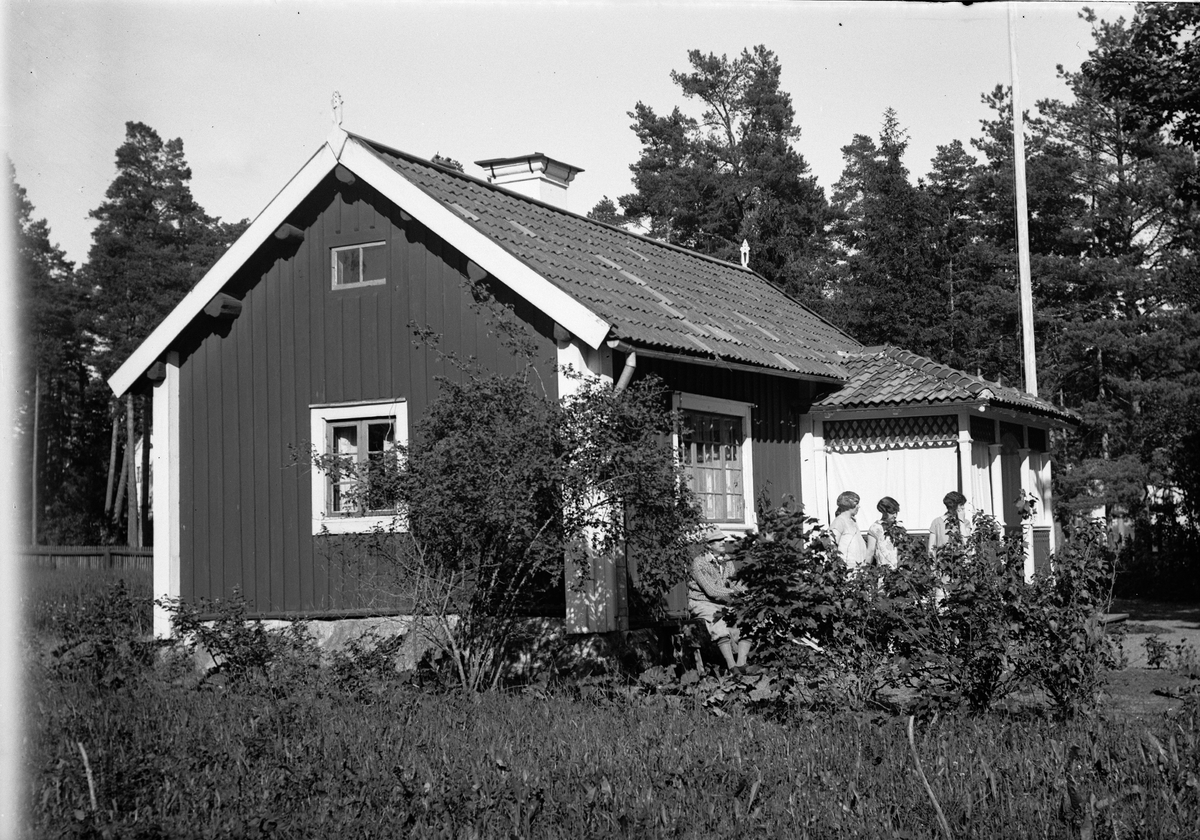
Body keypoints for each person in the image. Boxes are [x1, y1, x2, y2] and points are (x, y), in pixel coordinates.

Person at [687, 526, 751, 674]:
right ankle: (731, 666)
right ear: (709, 545)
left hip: (723, 602)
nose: (723, 542)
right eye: (718, 540)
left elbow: (735, 583)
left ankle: (742, 664)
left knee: (746, 619)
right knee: (720, 622)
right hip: (702, 602)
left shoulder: (727, 560)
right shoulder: (700, 563)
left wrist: (747, 594)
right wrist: (735, 593)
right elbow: (712, 591)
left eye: (723, 539)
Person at [831, 491, 868, 569]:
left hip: (859, 567)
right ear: (849, 504)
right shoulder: (840, 521)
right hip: (847, 568)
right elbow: (832, 545)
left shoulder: (852, 521)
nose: (859, 506)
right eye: (856, 503)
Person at [865, 496, 901, 568]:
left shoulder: (899, 527)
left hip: (898, 572)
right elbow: (870, 552)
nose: (895, 515)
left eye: (896, 512)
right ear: (884, 511)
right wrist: (865, 570)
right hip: (883, 570)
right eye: (892, 513)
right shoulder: (875, 528)